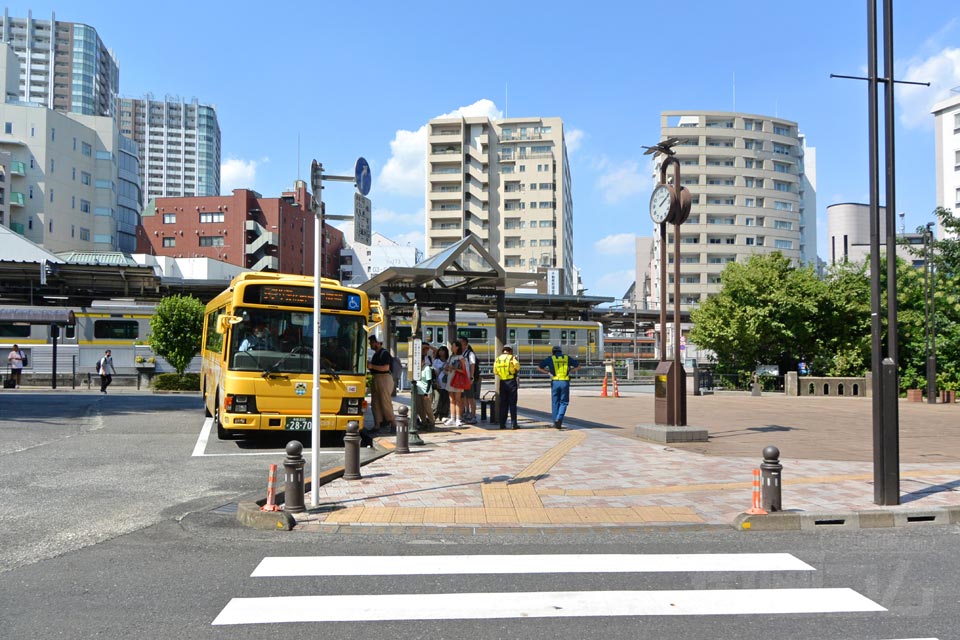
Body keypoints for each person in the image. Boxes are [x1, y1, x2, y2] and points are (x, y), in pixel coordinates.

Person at [537, 345, 581, 429]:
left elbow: (538, 368)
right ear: (561, 351)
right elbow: (579, 366)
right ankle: (559, 419)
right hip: (564, 382)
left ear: (553, 352)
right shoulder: (566, 358)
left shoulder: (550, 358)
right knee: (564, 402)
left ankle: (554, 422)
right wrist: (570, 371)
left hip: (555, 382)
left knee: (555, 402)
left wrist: (548, 373)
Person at [366, 335, 395, 442]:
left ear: (378, 343)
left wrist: (372, 366)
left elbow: (386, 368)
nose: (370, 345)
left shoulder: (384, 353)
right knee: (375, 402)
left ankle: (393, 423)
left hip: (384, 378)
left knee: (385, 401)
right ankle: (377, 424)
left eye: (372, 342)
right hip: (376, 378)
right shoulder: (375, 354)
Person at [494, 345, 521, 430]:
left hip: (502, 382)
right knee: (512, 404)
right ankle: (514, 424)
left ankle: (502, 424)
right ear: (510, 351)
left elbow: (495, 371)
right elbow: (518, 367)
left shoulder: (497, 359)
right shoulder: (512, 358)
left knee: (503, 404)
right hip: (511, 382)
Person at [442, 340, 468, 427]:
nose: (451, 347)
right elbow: (448, 368)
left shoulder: (461, 358)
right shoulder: (451, 357)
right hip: (450, 379)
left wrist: (453, 368)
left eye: (453, 346)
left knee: (458, 400)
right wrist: (447, 368)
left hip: (457, 380)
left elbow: (463, 370)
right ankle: (452, 418)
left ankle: (458, 419)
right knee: (451, 400)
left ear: (457, 347)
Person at [414, 342, 436, 430]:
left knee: (427, 408)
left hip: (426, 392)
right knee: (420, 408)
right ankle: (423, 422)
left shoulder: (427, 368)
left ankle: (431, 422)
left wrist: (426, 393)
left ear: (423, 361)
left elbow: (429, 381)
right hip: (419, 391)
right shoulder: (417, 369)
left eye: (420, 361)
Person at [459, 336, 479, 424]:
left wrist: (471, 377)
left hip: (467, 379)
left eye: (461, 342)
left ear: (465, 343)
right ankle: (466, 413)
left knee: (470, 398)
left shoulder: (470, 354)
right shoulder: (460, 354)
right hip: (461, 379)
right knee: (464, 397)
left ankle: (473, 415)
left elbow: (472, 365)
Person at [431, 345, 450, 422]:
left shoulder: (448, 361)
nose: (441, 352)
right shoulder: (436, 361)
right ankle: (434, 415)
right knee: (437, 400)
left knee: (445, 400)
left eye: (443, 351)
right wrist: (435, 381)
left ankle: (443, 414)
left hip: (446, 384)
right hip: (438, 383)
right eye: (440, 351)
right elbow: (433, 372)